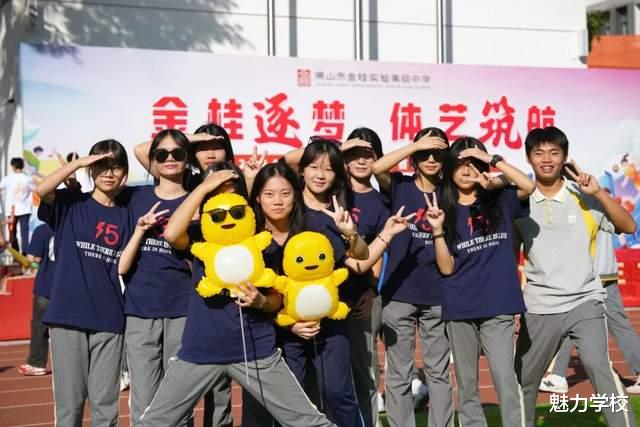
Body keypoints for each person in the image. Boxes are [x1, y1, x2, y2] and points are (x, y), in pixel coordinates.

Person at [136, 164, 336, 427]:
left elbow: (277, 299)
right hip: (200, 351)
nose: (224, 199)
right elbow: (172, 234)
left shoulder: (261, 242)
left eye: (230, 191)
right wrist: (203, 187)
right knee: (154, 422)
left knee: (308, 422)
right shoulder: (199, 235)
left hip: (256, 351)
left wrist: (260, 301)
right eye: (214, 192)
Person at [514, 126, 637, 427]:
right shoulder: (517, 203)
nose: (546, 159)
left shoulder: (584, 196)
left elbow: (628, 227)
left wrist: (599, 194)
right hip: (539, 306)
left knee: (600, 369)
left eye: (554, 152)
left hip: (585, 301)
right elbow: (508, 256)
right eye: (539, 153)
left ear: (565, 157)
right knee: (523, 381)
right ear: (528, 158)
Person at [424, 137, 534, 426]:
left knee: (504, 378)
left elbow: (529, 185)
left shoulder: (501, 199)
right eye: (460, 164)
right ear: (449, 169)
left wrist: (493, 162)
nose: (467, 170)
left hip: (499, 305)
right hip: (460, 306)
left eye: (474, 164)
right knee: (467, 384)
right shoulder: (443, 209)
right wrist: (437, 230)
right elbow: (446, 268)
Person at [36, 140, 134, 426]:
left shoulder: (127, 215)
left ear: (125, 173)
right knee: (70, 404)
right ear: (91, 169)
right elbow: (42, 190)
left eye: (115, 167)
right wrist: (77, 164)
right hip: (68, 317)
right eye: (101, 166)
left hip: (110, 319)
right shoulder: (70, 203)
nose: (108, 173)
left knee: (105, 405)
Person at [371, 127, 453, 427]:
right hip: (399, 294)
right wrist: (413, 145)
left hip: (439, 295)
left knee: (438, 372)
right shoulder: (399, 186)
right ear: (414, 158)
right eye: (424, 153)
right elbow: (376, 168)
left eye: (437, 154)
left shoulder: (451, 192)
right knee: (399, 373)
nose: (431, 159)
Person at [118, 129, 196, 424]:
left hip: (182, 309)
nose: (170, 159)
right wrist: (184, 139)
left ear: (188, 159)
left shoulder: (197, 202)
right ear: (153, 161)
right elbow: (139, 149)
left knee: (179, 395)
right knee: (143, 396)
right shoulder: (135, 197)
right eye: (162, 154)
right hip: (140, 309)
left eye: (178, 153)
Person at [539, 229, 640, 395]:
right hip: (606, 269)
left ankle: (557, 376)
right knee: (618, 323)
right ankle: (557, 375)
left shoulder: (579, 211)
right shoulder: (607, 211)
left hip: (587, 272)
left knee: (572, 317)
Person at [340, 127, 389, 427]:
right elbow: (293, 161)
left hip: (360, 299)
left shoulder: (381, 202)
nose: (361, 161)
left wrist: (372, 291)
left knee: (364, 372)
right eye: (354, 154)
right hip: (323, 295)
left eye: (368, 154)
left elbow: (380, 251)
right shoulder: (329, 189)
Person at [17, 222, 55, 376]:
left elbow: (34, 260)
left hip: (46, 286)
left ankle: (36, 362)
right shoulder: (72, 227)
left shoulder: (43, 230)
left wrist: (30, 265)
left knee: (40, 327)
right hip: (68, 287)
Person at [0, 157, 35, 253]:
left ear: (13, 166)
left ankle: (15, 254)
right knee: (24, 232)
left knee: (12, 232)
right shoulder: (28, 179)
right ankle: (25, 254)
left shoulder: (7, 179)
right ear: (22, 166)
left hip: (11, 210)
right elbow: (36, 189)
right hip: (25, 209)